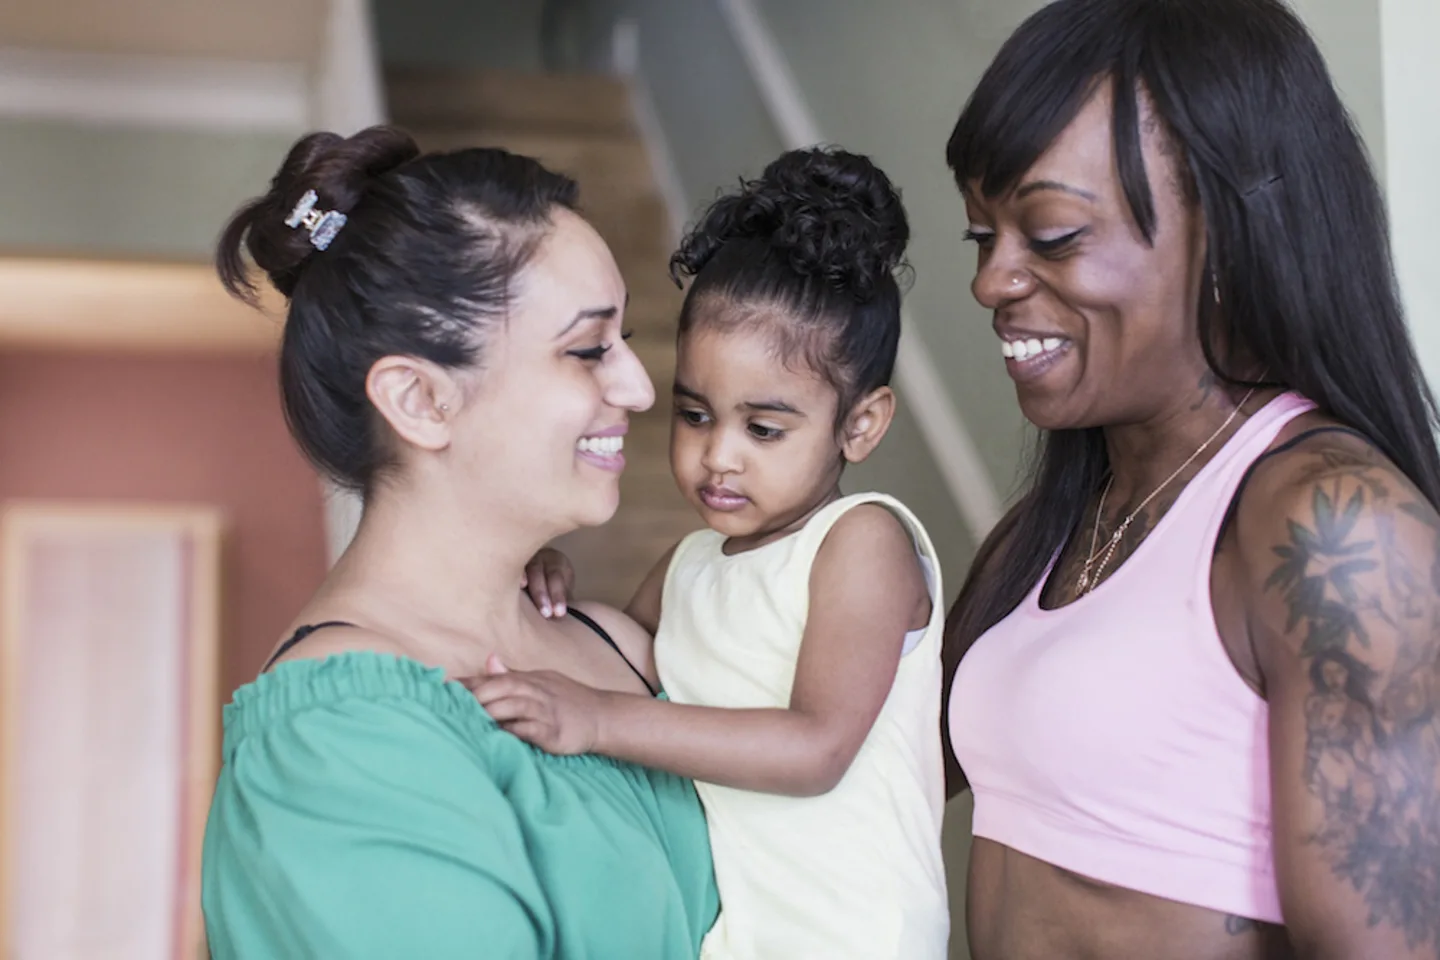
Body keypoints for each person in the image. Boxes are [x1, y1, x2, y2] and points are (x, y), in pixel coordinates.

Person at [941, 1, 1440, 958]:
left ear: (1226, 233)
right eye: (981, 237)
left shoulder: (1334, 527)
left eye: (1049, 235)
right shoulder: (1055, 530)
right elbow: (845, 755)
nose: (991, 282)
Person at [200, 125, 718, 958]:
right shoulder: (338, 742)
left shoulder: (617, 645)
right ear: (420, 400)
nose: (637, 383)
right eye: (588, 349)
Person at [479, 148, 950, 959]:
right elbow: (611, 660)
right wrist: (540, 578)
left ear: (862, 425)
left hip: (853, 932)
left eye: (763, 429)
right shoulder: (693, 563)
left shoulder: (861, 542)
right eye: (695, 415)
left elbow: (815, 748)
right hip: (741, 930)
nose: (719, 456)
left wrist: (595, 720)